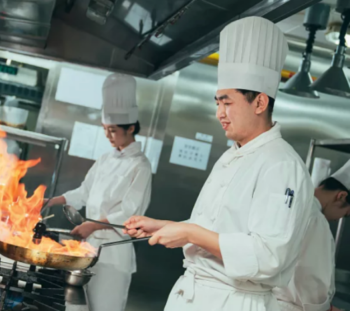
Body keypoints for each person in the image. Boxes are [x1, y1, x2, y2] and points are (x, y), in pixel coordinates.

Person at [124, 16, 315, 311]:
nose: (219, 113)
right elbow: (215, 227)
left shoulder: (281, 165)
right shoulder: (233, 156)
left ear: (260, 103)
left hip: (234, 302)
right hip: (195, 295)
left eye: (227, 102)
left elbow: (268, 255)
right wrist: (165, 226)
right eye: (217, 102)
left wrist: (189, 233)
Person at [47, 73, 152, 311]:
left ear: (131, 128)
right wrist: (51, 201)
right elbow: (84, 192)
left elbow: (130, 213)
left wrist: (92, 225)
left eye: (113, 130)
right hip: (89, 249)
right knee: (80, 306)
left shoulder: (141, 165)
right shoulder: (106, 159)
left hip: (114, 255)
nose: (108, 135)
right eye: (105, 129)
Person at [273, 160, 350, 311]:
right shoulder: (315, 219)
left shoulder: (289, 201)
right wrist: (325, 308)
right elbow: (309, 277)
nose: (338, 218)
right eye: (346, 214)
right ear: (341, 196)